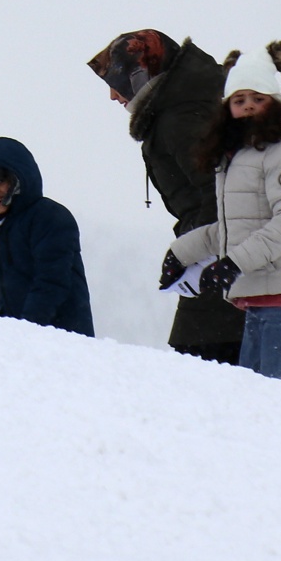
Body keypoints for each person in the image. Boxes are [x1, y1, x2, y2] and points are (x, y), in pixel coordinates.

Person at [88, 30, 245, 363]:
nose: (114, 96)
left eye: (116, 82)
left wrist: (195, 256)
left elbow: (219, 196)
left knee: (208, 362)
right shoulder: (179, 107)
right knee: (237, 367)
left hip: (219, 260)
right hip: (227, 256)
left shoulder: (180, 119)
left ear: (140, 74)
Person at [163, 44, 281, 379]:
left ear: (275, 104)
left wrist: (234, 263)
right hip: (259, 298)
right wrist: (181, 252)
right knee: (255, 393)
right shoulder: (233, 159)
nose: (247, 106)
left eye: (257, 98)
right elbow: (232, 229)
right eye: (239, 99)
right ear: (227, 108)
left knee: (274, 394)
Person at [0, 137, 94, 337]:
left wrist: (25, 332)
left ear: (17, 179)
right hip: (25, 341)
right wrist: (4, 332)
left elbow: (52, 283)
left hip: (64, 341)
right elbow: (6, 290)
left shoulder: (48, 216)